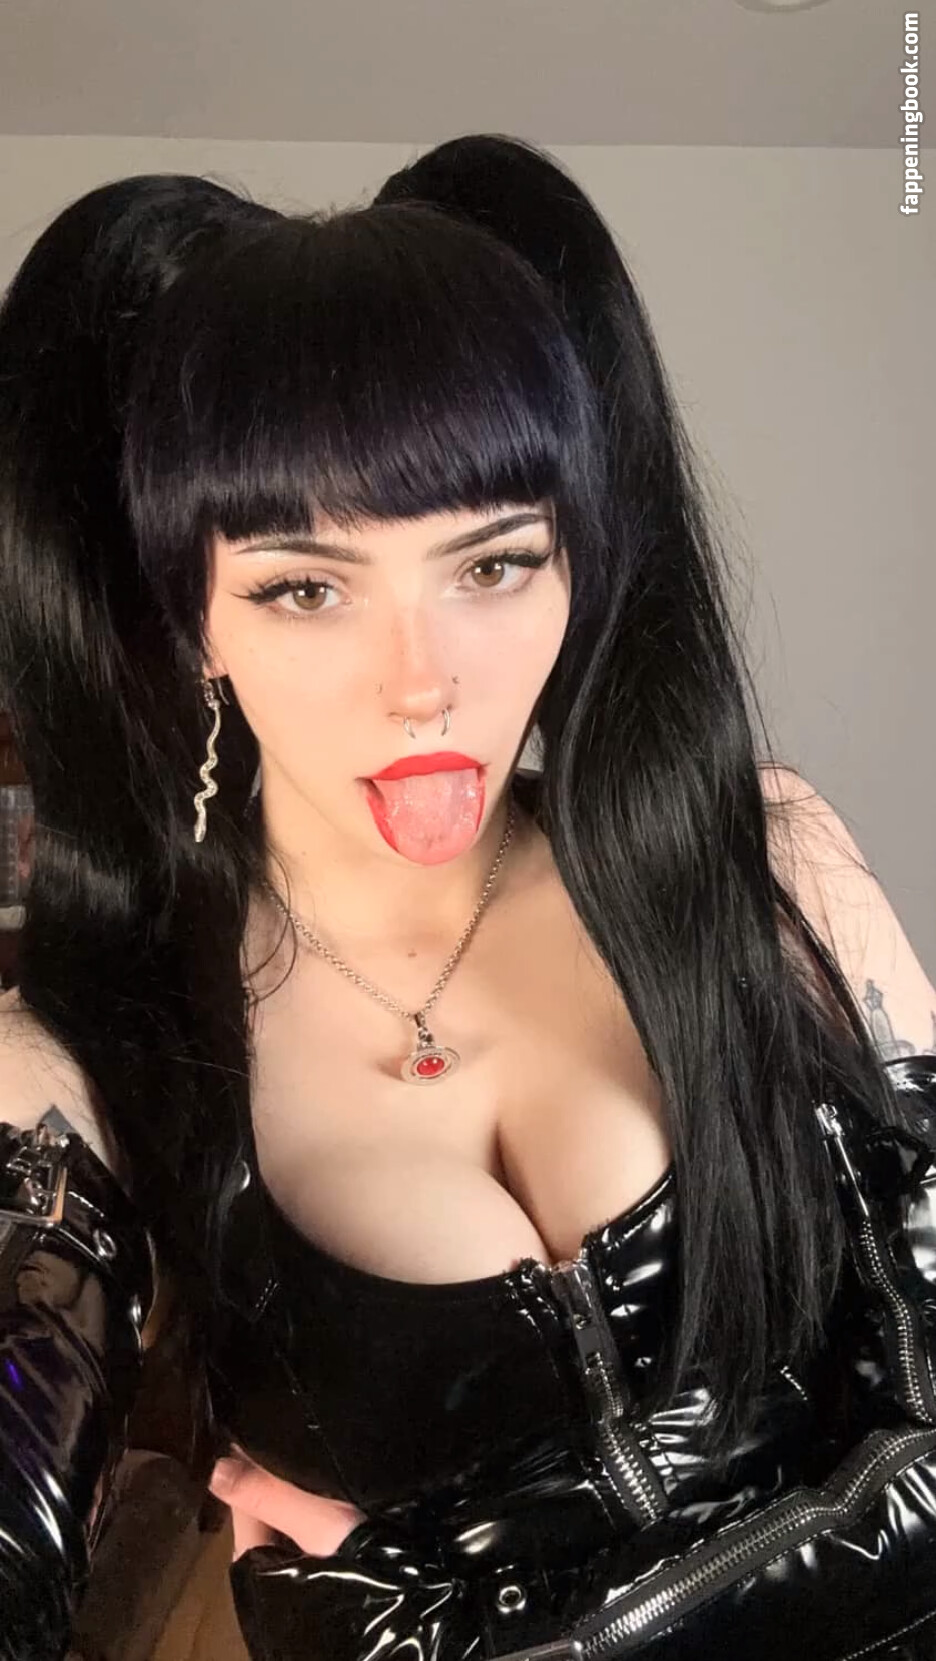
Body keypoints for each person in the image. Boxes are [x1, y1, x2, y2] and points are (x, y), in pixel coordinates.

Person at [0, 134, 935, 1661]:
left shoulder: (769, 869)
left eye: (491, 565)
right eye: (307, 586)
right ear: (191, 620)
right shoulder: (84, 1060)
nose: (423, 681)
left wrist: (455, 1629)